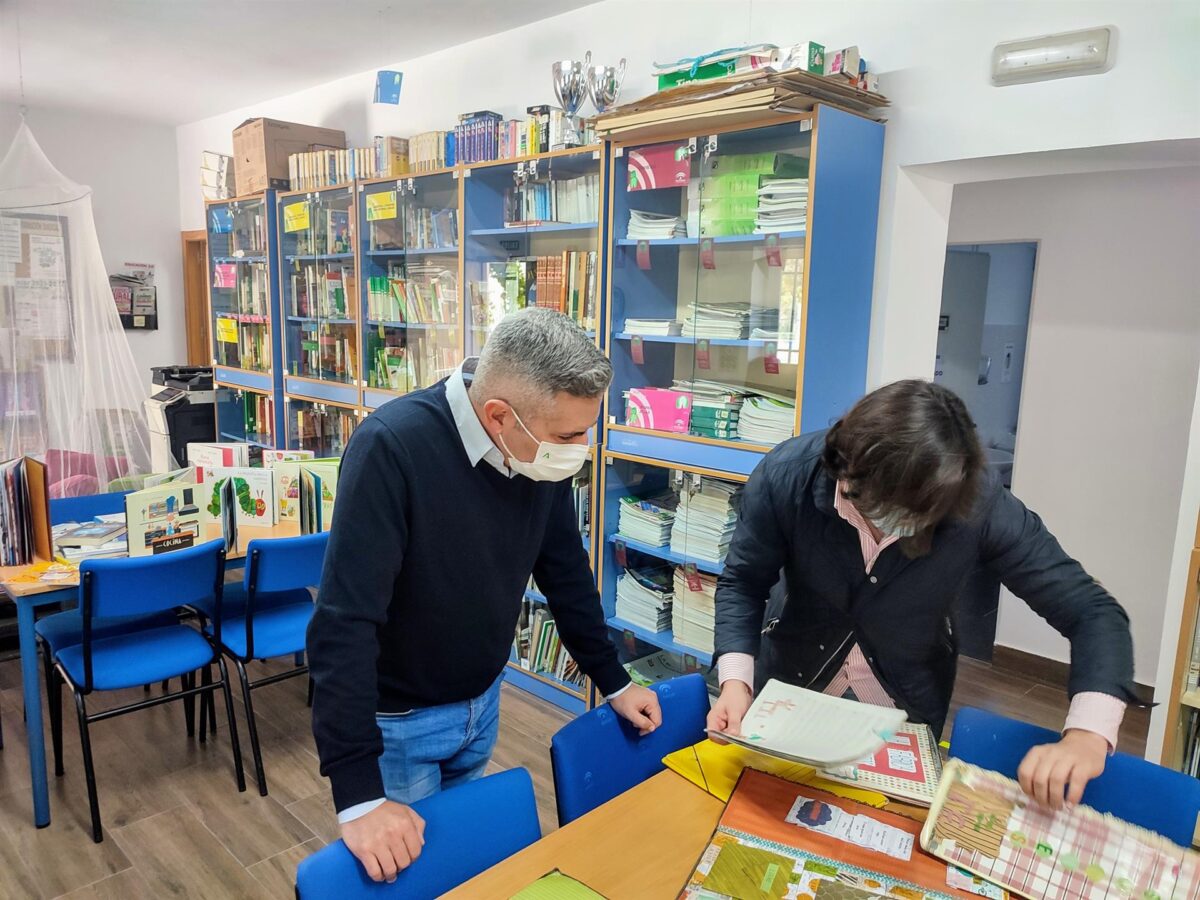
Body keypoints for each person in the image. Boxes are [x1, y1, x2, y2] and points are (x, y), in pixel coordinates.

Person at [307, 308, 662, 883]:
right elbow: (344, 622)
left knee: (463, 871)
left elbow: (565, 571)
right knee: (410, 880)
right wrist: (359, 795)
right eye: (569, 436)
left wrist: (613, 678)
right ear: (499, 416)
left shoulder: (534, 446)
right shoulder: (394, 447)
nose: (578, 449)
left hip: (481, 704)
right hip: (400, 723)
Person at [709, 380, 1138, 810]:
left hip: (905, 702)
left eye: (912, 517)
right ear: (845, 467)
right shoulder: (788, 476)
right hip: (793, 689)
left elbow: (1092, 612)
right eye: (875, 507)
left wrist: (1087, 733)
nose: (888, 527)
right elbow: (743, 582)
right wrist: (734, 683)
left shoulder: (979, 505)